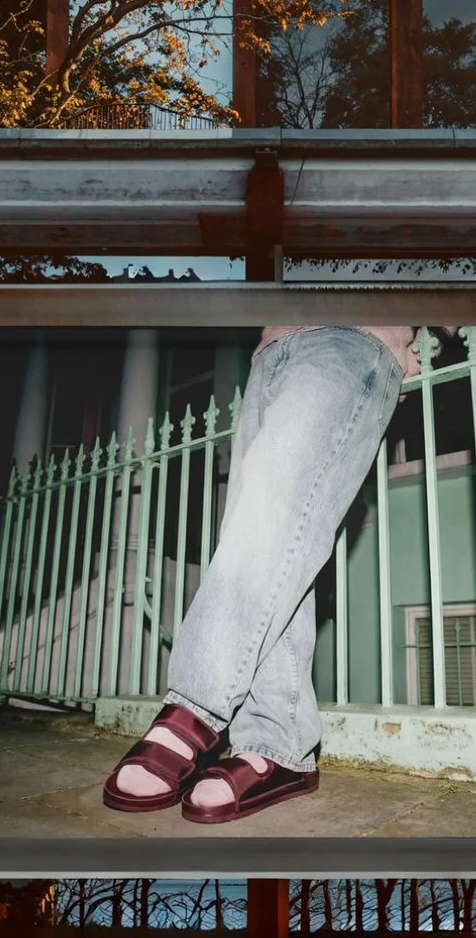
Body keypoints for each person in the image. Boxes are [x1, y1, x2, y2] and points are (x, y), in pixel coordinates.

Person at [102, 325, 417, 824]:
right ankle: (278, 746)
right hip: (271, 351)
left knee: (269, 514)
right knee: (274, 547)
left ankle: (192, 710)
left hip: (353, 334)